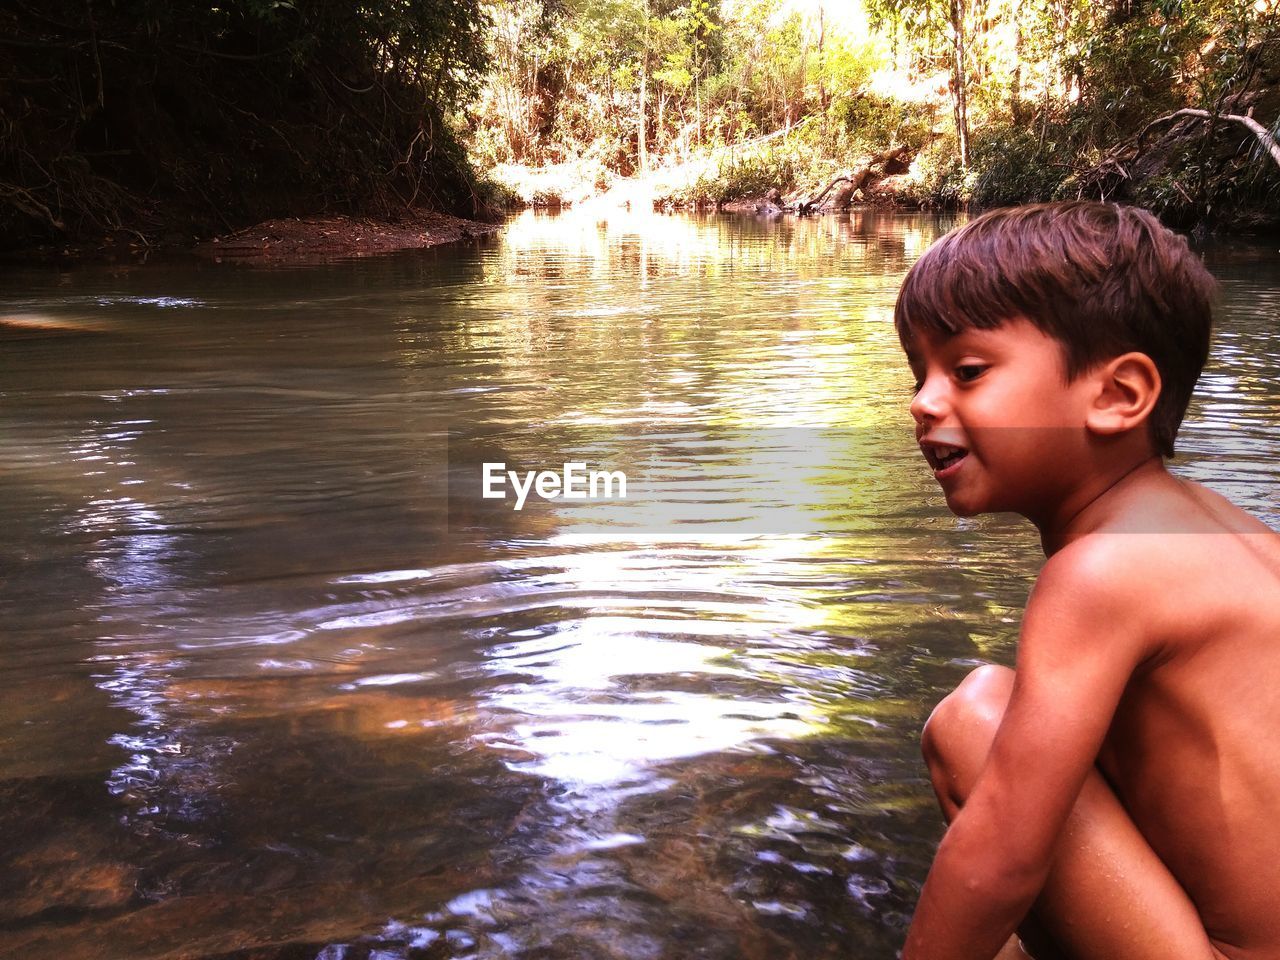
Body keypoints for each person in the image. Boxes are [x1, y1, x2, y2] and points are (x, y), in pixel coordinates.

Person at [895, 201, 1280, 960]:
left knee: (974, 723)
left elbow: (1002, 859)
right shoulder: (1229, 533)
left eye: (966, 371)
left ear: (1117, 395)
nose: (922, 402)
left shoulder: (1100, 572)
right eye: (921, 374)